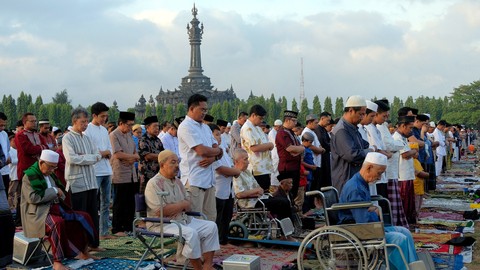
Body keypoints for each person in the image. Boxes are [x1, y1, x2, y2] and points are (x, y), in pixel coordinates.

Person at [338, 152, 419, 270]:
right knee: (399, 239)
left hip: (362, 226)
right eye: (379, 173)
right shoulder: (356, 188)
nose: (380, 177)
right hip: (355, 229)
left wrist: (373, 211)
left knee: (404, 231)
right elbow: (364, 220)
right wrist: (375, 213)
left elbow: (366, 213)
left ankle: (413, 265)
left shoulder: (360, 181)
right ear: (369, 167)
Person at [21, 150, 97, 270]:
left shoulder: (50, 174)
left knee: (83, 217)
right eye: (50, 167)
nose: (52, 170)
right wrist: (54, 191)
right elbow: (33, 198)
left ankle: (83, 251)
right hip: (38, 214)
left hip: (56, 208)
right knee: (57, 223)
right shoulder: (29, 176)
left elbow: (62, 194)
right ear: (41, 163)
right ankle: (57, 262)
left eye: (54, 167)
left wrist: (57, 192)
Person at [144, 150, 220, 270]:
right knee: (191, 233)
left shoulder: (178, 181)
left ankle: (207, 266)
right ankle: (198, 268)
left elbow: (188, 205)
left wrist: (178, 206)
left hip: (182, 220)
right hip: (162, 224)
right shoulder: (154, 183)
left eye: (177, 162)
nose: (176, 166)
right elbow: (160, 211)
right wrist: (181, 205)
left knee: (211, 226)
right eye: (173, 162)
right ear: (162, 164)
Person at [177, 94, 223, 222]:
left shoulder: (206, 127)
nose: (204, 113)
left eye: (206, 110)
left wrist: (214, 157)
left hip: (209, 180)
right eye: (202, 109)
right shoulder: (186, 126)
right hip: (194, 181)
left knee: (210, 221)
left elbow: (219, 150)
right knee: (195, 221)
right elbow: (201, 151)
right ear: (192, 109)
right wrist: (217, 151)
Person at [62, 107, 102, 250]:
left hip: (91, 181)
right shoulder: (67, 138)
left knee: (92, 215)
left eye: (86, 121)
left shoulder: (87, 138)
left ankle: (93, 244)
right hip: (77, 183)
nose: (86, 124)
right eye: (83, 121)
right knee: (80, 215)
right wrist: (89, 157)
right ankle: (79, 247)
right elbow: (71, 158)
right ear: (75, 121)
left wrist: (83, 157)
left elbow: (98, 156)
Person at [232, 149, 293, 221]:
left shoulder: (247, 172)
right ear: (236, 161)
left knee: (284, 200)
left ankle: (288, 226)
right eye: (245, 159)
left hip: (259, 198)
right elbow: (239, 194)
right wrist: (256, 191)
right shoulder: (235, 174)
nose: (248, 162)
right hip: (250, 203)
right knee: (282, 202)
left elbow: (259, 188)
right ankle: (286, 226)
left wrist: (257, 191)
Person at [375, 99, 409, 228]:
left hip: (390, 169)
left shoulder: (381, 127)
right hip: (383, 170)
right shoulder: (376, 127)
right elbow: (387, 145)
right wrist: (400, 146)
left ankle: (394, 224)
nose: (386, 118)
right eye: (384, 115)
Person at [84, 102, 114, 240]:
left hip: (106, 170)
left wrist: (105, 153)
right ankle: (93, 232)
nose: (104, 119)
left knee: (106, 203)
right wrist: (103, 153)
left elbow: (110, 149)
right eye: (102, 116)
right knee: (93, 204)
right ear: (94, 115)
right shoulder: (87, 130)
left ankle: (104, 232)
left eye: (106, 116)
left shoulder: (104, 130)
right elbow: (91, 151)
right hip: (95, 171)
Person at [331, 95, 371, 194]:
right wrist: (371, 152)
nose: (362, 117)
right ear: (351, 110)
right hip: (346, 178)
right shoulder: (341, 130)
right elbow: (351, 154)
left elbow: (364, 144)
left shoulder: (352, 127)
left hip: (355, 177)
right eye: (360, 114)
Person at [208, 124, 240, 245]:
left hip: (228, 188)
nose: (219, 137)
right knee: (218, 217)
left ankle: (223, 240)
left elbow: (230, 165)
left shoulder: (221, 148)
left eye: (219, 134)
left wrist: (234, 171)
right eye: (216, 134)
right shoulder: (211, 150)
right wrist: (236, 171)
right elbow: (220, 169)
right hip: (218, 189)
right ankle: (216, 241)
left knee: (227, 216)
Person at [15, 112, 49, 226]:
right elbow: (28, 150)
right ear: (25, 122)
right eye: (32, 121)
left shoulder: (38, 135)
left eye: (35, 121)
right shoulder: (20, 135)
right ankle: (20, 223)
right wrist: (40, 148)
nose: (35, 123)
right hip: (26, 171)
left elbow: (46, 148)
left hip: (39, 170)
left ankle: (36, 221)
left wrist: (38, 148)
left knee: (39, 196)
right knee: (24, 198)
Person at [110, 111, 140, 236]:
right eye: (128, 125)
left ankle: (128, 226)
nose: (130, 128)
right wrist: (131, 157)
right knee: (119, 202)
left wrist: (131, 157)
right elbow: (117, 154)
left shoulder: (129, 135)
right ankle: (117, 228)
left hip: (132, 173)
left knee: (130, 202)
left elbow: (136, 155)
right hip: (120, 173)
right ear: (121, 123)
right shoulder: (113, 135)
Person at [240, 105, 274, 191]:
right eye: (260, 118)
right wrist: (269, 145)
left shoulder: (257, 128)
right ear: (253, 115)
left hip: (263, 168)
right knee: (259, 195)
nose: (261, 121)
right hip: (255, 168)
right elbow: (254, 148)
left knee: (266, 193)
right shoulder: (247, 128)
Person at [392, 116, 418, 225]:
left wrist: (412, 152)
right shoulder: (397, 138)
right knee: (404, 202)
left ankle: (408, 222)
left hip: (407, 174)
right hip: (402, 176)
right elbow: (406, 154)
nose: (411, 131)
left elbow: (412, 154)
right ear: (403, 126)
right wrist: (413, 151)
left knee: (409, 202)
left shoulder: (403, 138)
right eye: (410, 128)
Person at [276, 110, 304, 198]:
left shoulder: (291, 132)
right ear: (287, 120)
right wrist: (302, 148)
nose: (295, 123)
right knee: (287, 193)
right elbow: (290, 148)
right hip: (287, 168)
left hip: (295, 166)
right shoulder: (282, 133)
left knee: (294, 192)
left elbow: (297, 147)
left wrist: (300, 149)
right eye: (294, 121)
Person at [138, 115, 164, 193]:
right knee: (145, 197)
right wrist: (162, 156)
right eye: (155, 126)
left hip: (157, 174)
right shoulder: (143, 140)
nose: (157, 128)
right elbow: (148, 156)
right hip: (146, 174)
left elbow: (163, 152)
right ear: (147, 127)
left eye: (158, 126)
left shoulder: (158, 140)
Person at [301, 114, 324, 191]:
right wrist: (320, 150)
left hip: (316, 163)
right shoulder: (306, 132)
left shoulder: (313, 132)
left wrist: (320, 149)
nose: (317, 125)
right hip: (311, 164)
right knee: (311, 188)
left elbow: (319, 145)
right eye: (316, 123)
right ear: (310, 122)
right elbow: (310, 146)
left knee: (316, 186)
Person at [314, 111, 332, 187]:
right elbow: (323, 144)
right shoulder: (318, 129)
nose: (328, 123)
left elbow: (329, 141)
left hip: (326, 156)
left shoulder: (324, 130)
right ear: (322, 118)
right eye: (327, 120)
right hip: (321, 158)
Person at [268, 119, 283, 191]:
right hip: (275, 154)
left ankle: (277, 184)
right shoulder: (272, 133)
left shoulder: (277, 132)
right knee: (274, 169)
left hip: (278, 153)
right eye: (279, 127)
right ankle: (274, 184)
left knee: (277, 169)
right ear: (276, 126)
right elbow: (277, 143)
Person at [7, 134, 18, 210]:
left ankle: (16, 207)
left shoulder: (18, 150)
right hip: (13, 175)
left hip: (19, 175)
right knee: (11, 193)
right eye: (14, 141)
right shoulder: (9, 150)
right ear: (10, 142)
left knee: (18, 193)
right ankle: (11, 208)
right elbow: (11, 161)